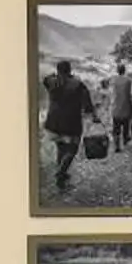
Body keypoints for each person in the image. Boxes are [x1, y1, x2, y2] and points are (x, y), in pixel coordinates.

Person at [42, 59, 95, 190]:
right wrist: (93, 116)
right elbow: (87, 106)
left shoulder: (51, 82)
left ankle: (61, 176)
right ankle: (61, 173)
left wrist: (57, 75)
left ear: (58, 70)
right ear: (70, 70)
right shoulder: (78, 84)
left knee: (60, 148)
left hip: (52, 123)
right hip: (71, 124)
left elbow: (46, 79)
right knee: (72, 149)